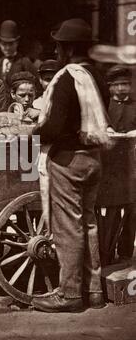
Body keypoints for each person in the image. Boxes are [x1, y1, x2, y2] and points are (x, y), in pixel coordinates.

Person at [31, 18, 111, 312]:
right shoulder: (97, 76)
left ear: (68, 48)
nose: (56, 49)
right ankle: (94, 292)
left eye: (59, 45)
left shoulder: (66, 78)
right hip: (94, 158)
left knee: (68, 228)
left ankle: (69, 294)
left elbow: (53, 128)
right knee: (88, 224)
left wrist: (31, 131)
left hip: (69, 160)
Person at [104, 65, 136, 263]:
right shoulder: (105, 107)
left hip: (133, 166)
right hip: (110, 167)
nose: (123, 88)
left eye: (126, 84)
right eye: (118, 85)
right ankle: (107, 252)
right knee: (111, 209)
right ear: (110, 87)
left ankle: (125, 252)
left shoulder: (135, 105)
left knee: (132, 208)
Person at [0, 20, 42, 99]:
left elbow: (37, 87)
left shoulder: (24, 62)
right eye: (4, 44)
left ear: (17, 43)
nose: (7, 48)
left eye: (11, 44)